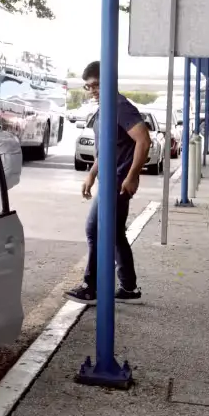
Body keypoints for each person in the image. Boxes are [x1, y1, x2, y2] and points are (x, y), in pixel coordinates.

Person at [65, 60, 152, 305]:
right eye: (88, 86)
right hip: (108, 180)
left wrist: (132, 175)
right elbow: (106, 150)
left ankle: (90, 286)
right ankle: (128, 287)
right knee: (113, 234)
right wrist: (92, 174)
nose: (92, 90)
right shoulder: (105, 107)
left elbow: (144, 141)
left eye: (96, 85)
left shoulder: (120, 106)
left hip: (117, 183)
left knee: (96, 230)